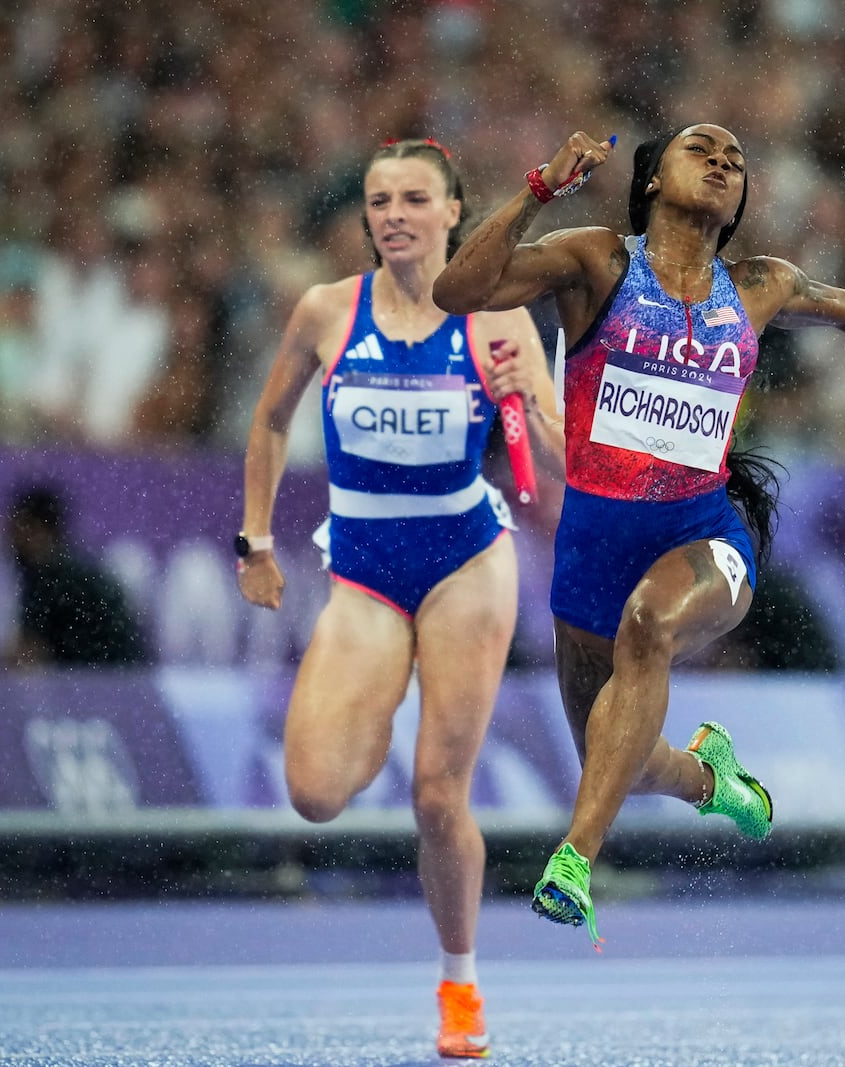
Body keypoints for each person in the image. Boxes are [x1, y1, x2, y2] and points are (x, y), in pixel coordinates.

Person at [433, 125, 845, 942]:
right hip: (591, 554)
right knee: (627, 763)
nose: (722, 161)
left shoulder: (756, 287)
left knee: (651, 624)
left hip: (706, 535)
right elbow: (456, 292)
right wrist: (540, 189)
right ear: (649, 183)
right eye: (701, 149)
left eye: (736, 160)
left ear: (742, 199)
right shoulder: (598, 260)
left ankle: (574, 859)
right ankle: (712, 779)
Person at [237, 138, 559, 1060]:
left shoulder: (498, 321)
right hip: (367, 568)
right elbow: (267, 421)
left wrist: (526, 411)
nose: (394, 215)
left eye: (415, 198)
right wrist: (254, 539)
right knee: (313, 792)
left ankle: (459, 983)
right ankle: (376, 703)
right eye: (380, 200)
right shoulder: (326, 311)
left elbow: (555, 483)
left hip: (466, 561)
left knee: (436, 797)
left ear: (455, 212)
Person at [3, 484, 147, 667]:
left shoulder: (47, 577)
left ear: (37, 529)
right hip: (125, 680)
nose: (9, 538)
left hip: (103, 683)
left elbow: (28, 656)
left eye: (16, 528)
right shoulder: (78, 570)